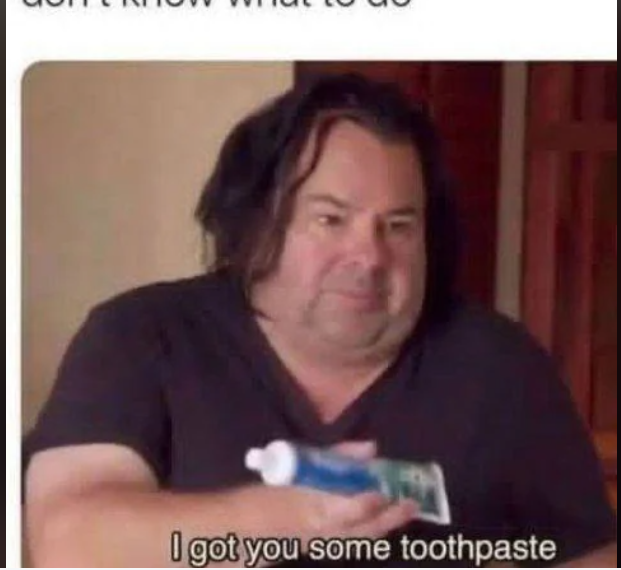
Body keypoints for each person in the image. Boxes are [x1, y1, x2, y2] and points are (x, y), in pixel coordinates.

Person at [24, 73, 616, 567]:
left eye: (398, 226)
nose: (370, 256)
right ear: (256, 222)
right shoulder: (142, 336)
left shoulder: (501, 365)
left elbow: (593, 554)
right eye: (331, 219)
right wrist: (291, 517)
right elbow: (69, 543)